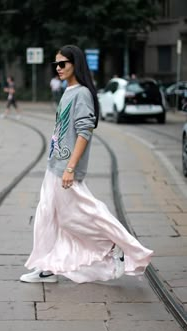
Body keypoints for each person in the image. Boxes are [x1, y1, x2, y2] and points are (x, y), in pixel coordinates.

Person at [20, 45, 153, 284]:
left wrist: (70, 168)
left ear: (76, 64)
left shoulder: (80, 93)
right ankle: (46, 268)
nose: (58, 68)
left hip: (64, 168)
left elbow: (85, 132)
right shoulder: (68, 91)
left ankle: (116, 245)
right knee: (47, 216)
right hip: (55, 164)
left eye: (63, 64)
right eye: (56, 65)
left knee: (80, 214)